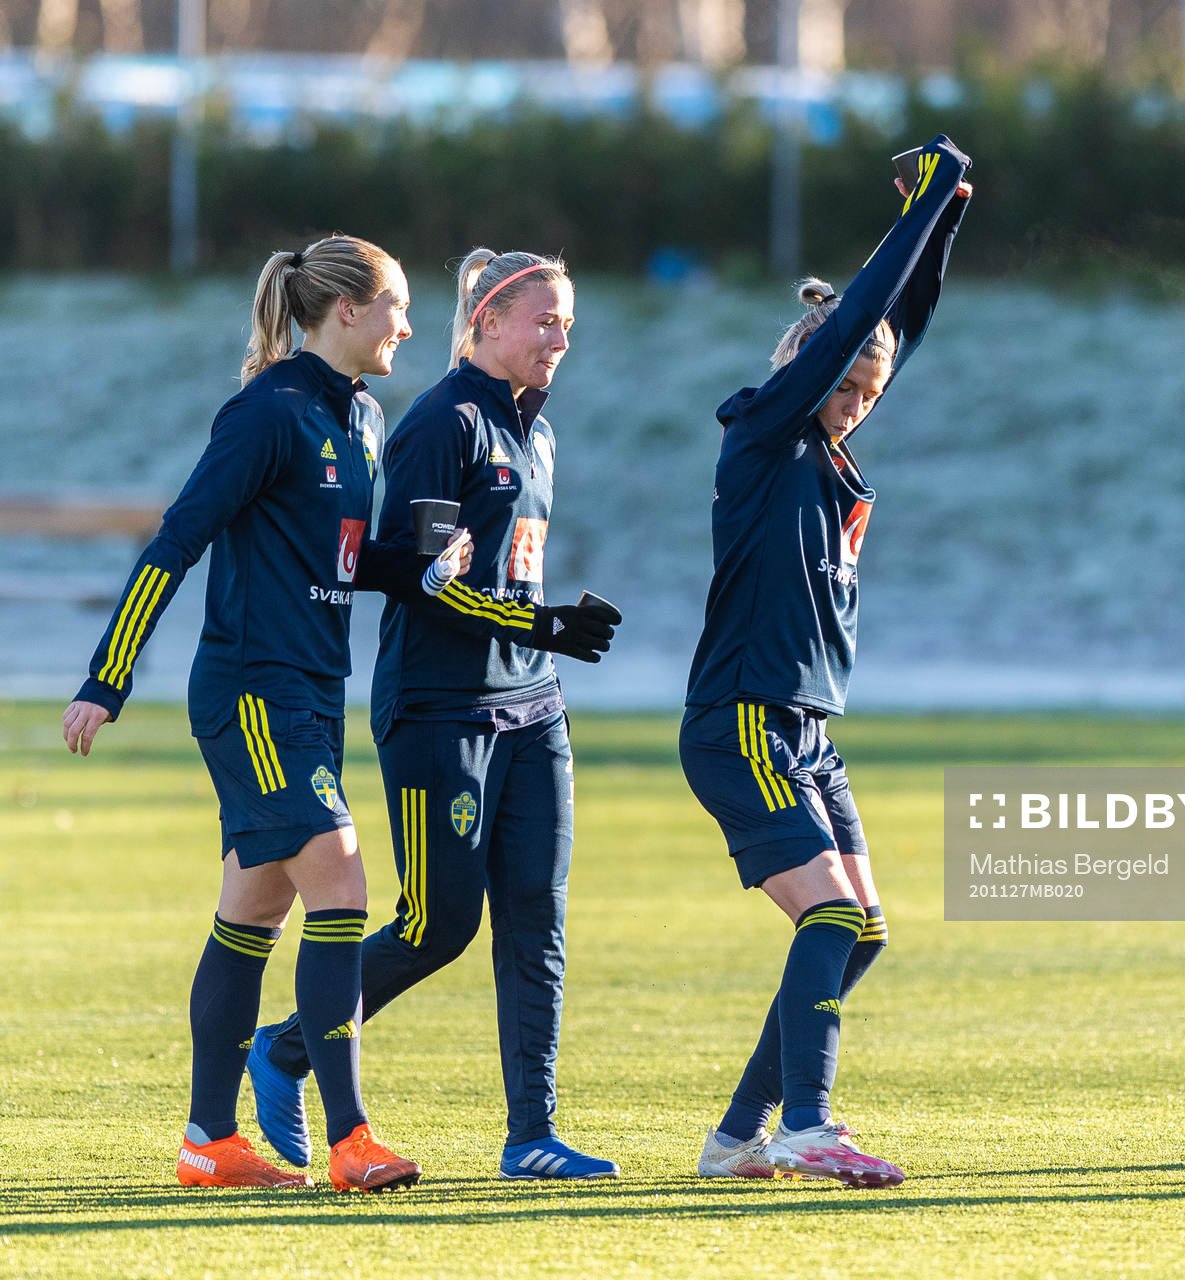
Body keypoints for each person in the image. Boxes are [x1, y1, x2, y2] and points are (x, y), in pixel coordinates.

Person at [62, 234, 470, 1192]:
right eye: (398, 306)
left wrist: (421, 570)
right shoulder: (266, 412)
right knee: (340, 881)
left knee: (254, 906)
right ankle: (351, 1139)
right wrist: (105, 678)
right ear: (345, 311)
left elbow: (344, 559)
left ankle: (210, 1141)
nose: (409, 326)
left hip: (313, 693)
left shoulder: (363, 420)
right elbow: (176, 542)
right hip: (251, 691)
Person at [247, 247, 626, 1182]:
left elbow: (503, 571)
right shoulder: (440, 426)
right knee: (437, 924)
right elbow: (425, 585)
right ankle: (285, 1050)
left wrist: (543, 631)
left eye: (567, 322)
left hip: (534, 711)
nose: (559, 338)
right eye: (545, 321)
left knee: (537, 919)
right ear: (488, 321)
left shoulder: (538, 433)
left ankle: (531, 1136)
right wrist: (539, 620)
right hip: (438, 713)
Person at [680, 136, 972, 1188]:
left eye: (865, 389)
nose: (852, 394)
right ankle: (808, 1123)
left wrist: (942, 219)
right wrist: (917, 212)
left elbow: (897, 328)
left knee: (862, 933)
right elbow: (858, 320)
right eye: (838, 380)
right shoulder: (765, 433)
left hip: (806, 730)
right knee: (832, 914)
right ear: (799, 368)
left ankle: (736, 1135)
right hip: (742, 718)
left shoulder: (835, 451)